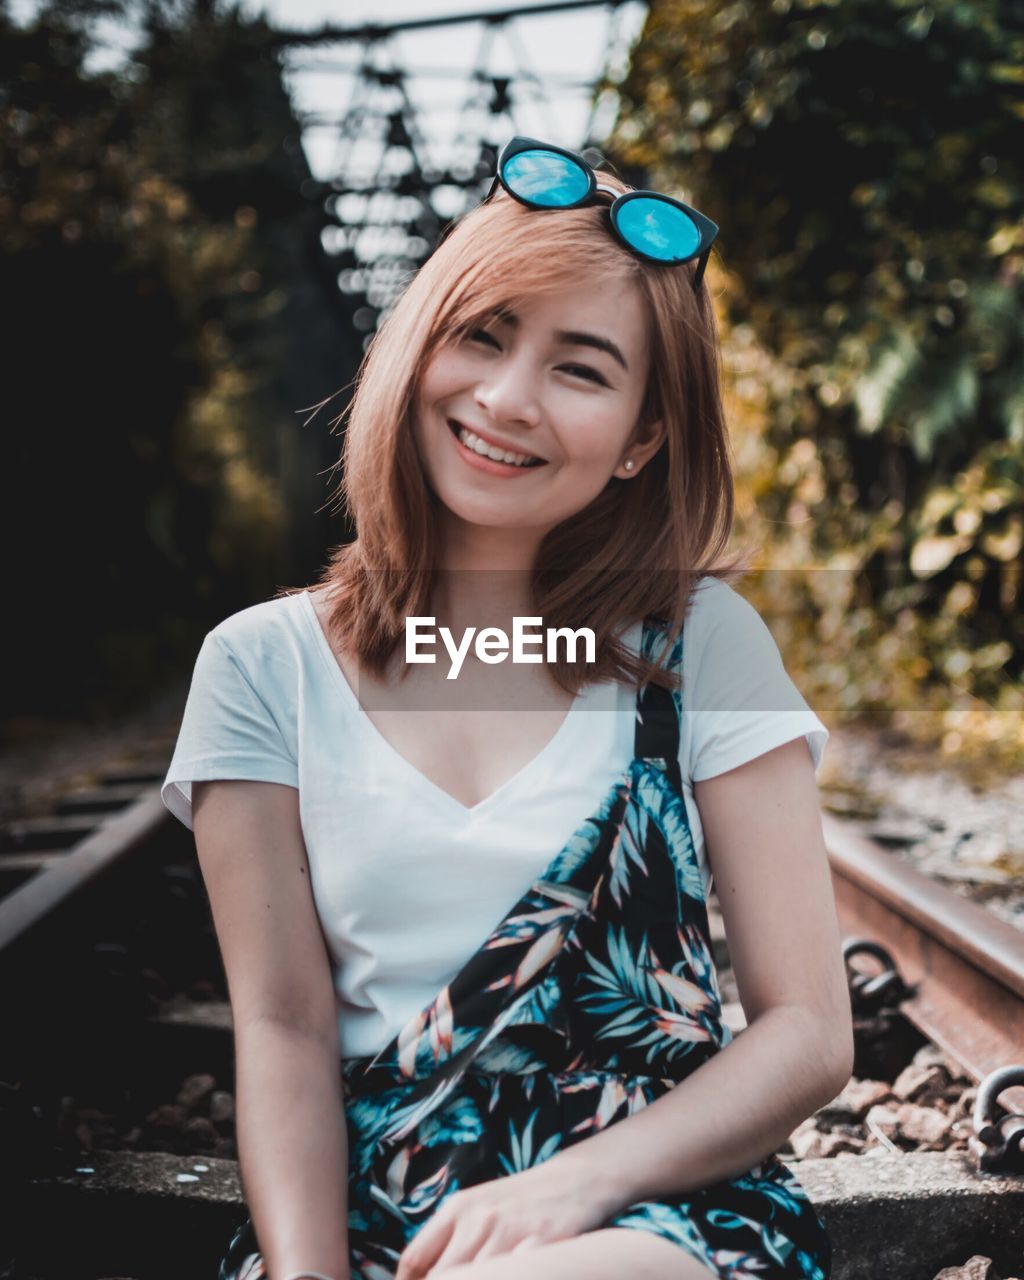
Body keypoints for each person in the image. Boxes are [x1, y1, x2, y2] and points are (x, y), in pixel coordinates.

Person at [161, 137, 853, 1280]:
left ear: (643, 438)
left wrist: (577, 1180)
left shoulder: (699, 645)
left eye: (580, 369)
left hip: (652, 1212)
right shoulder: (259, 665)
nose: (505, 397)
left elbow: (809, 1032)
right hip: (383, 1212)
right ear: (418, 342)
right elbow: (282, 1030)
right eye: (483, 334)